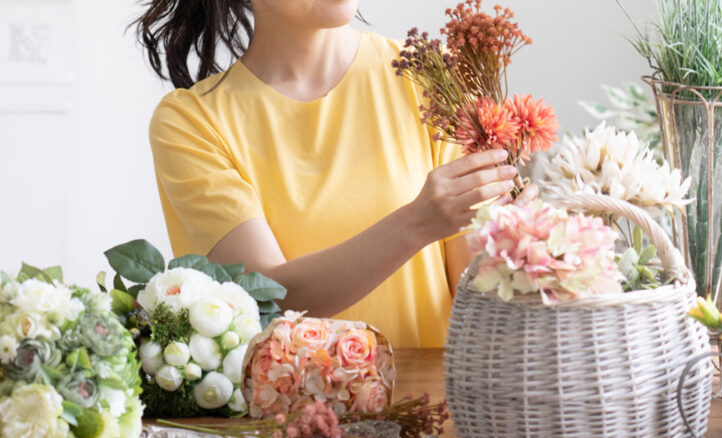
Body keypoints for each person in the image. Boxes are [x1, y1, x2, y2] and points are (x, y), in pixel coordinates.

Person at [135, 0, 516, 348]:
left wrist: (528, 244)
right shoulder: (192, 122)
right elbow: (267, 298)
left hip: (435, 410)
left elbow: (484, 297)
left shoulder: (433, 75)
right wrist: (419, 223)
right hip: (288, 417)